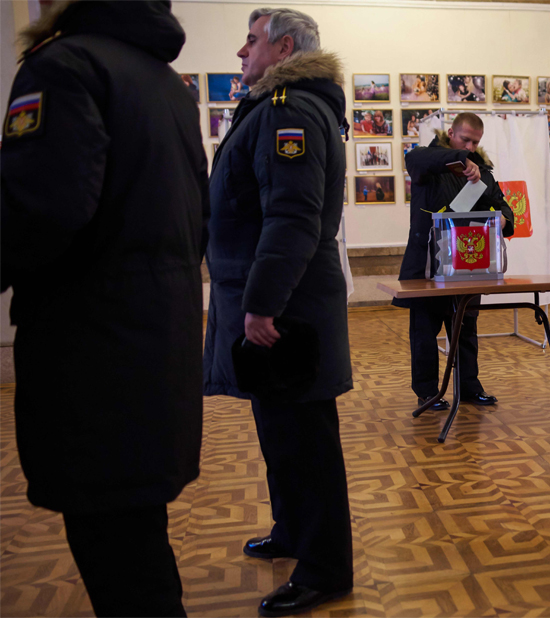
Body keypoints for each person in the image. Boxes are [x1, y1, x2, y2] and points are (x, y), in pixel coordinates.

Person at [0, 1, 208, 615]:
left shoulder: (62, 66)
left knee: (119, 560)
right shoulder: (162, 80)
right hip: (153, 339)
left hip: (91, 353)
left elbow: (41, 207)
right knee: (136, 547)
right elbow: (196, 215)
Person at [202, 7, 354, 616]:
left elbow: (292, 217)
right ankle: (293, 532)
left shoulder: (289, 108)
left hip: (286, 309)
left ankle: (325, 570)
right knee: (281, 433)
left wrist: (263, 304)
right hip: (275, 302)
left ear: (284, 46)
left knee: (306, 442)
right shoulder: (279, 105)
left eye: (251, 40)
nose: (242, 52)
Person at [395, 113, 515, 410]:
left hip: (469, 262)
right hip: (427, 263)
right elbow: (415, 159)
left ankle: (469, 388)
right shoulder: (428, 161)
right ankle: (428, 393)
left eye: (476, 142)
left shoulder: (484, 172)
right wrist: (461, 159)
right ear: (450, 133)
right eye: (466, 140)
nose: (472, 147)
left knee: (465, 327)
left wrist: (503, 220)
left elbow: (503, 206)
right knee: (424, 329)